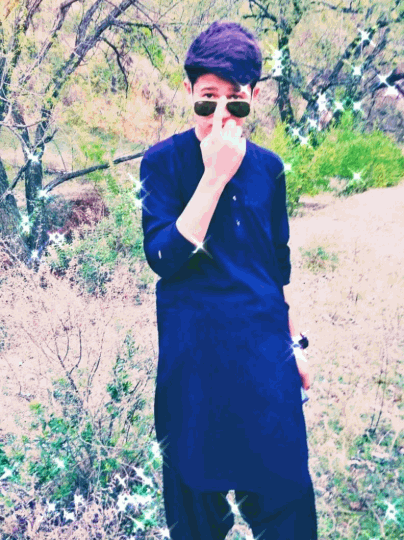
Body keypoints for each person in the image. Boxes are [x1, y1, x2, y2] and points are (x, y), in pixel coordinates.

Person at [140, 20, 318, 540]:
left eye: (235, 102)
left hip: (265, 365)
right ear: (189, 92)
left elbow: (276, 269)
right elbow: (163, 257)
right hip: (193, 368)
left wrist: (294, 347)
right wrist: (215, 174)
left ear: (255, 98)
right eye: (207, 100)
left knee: (288, 511)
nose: (221, 116)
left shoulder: (270, 169)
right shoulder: (162, 164)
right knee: (196, 520)